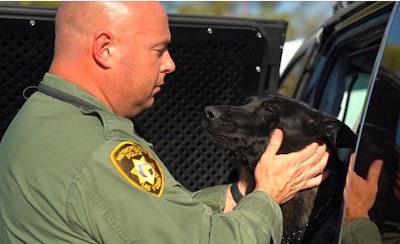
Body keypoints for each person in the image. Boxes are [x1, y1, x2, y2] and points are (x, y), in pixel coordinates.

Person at [0, 2, 329, 243]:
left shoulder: (41, 117)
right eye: (158, 50)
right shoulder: (99, 151)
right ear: (105, 49)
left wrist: (237, 194)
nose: (170, 64)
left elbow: (141, 216)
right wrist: (268, 197)